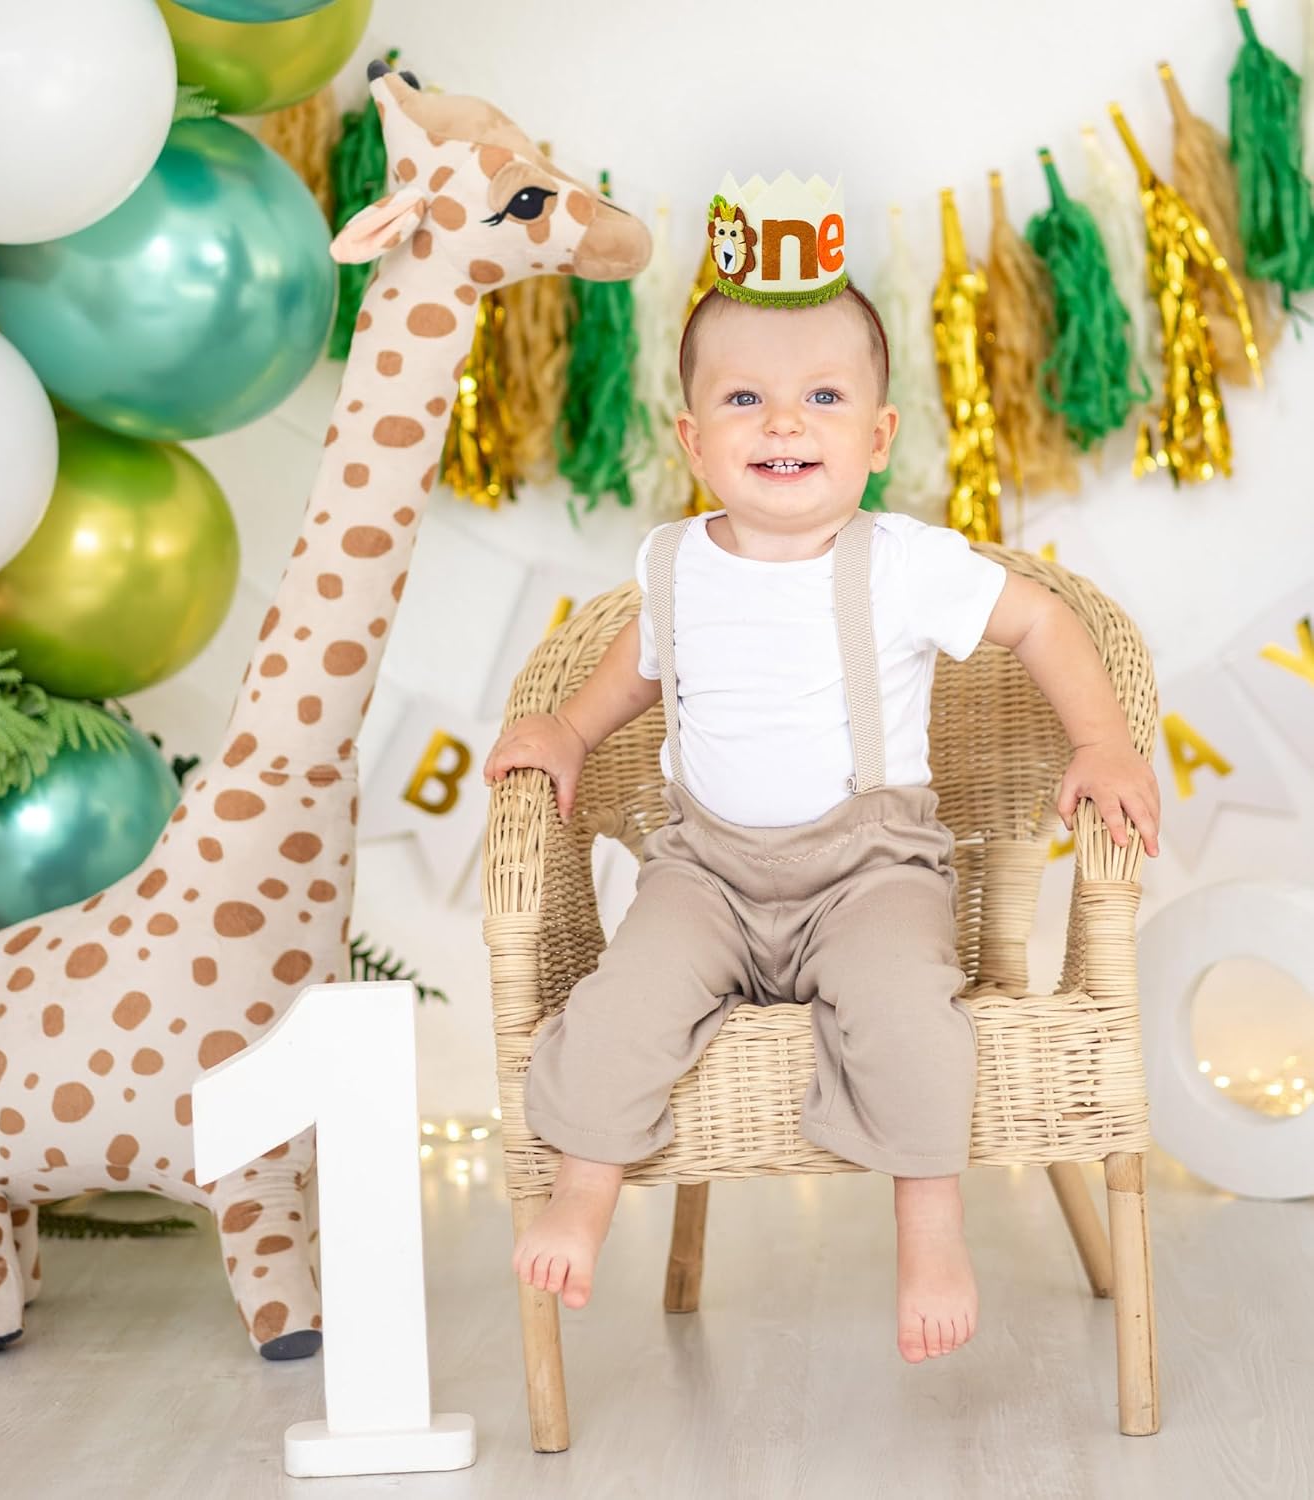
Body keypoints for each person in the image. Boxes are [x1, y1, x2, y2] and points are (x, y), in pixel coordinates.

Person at [482, 175, 1161, 1364]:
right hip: (702, 875)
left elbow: (1042, 621)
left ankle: (930, 1226)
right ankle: (585, 1193)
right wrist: (570, 732)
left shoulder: (902, 559)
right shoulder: (672, 560)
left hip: (871, 876)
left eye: (823, 398)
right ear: (692, 436)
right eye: (744, 398)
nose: (783, 424)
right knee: (619, 1005)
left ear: (878, 437)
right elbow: (639, 668)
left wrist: (1101, 738)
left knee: (908, 1015)